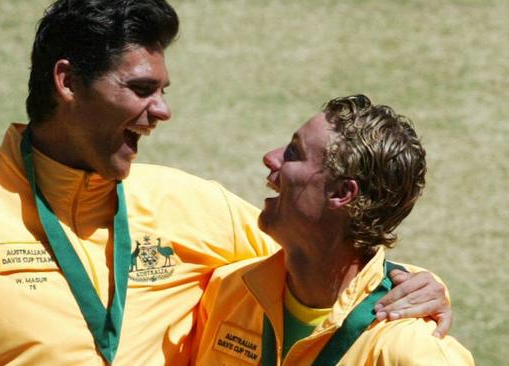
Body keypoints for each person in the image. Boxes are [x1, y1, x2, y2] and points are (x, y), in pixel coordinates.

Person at [0, 1, 450, 365]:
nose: (162, 111)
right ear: (68, 82)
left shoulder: (190, 206)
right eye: (142, 89)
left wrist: (419, 286)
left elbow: (329, 256)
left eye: (163, 91)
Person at [193, 95, 474, 365]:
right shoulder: (230, 291)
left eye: (294, 153)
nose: (270, 158)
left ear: (341, 193)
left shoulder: (407, 349)